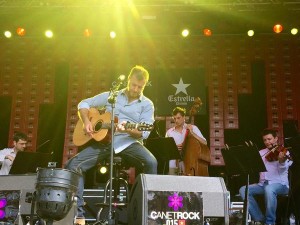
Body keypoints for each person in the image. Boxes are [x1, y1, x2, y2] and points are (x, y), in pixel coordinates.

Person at [65, 65, 157, 225]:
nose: (136, 89)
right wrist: (87, 121)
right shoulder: (111, 96)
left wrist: (128, 129)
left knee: (151, 162)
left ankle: (147, 215)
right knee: (73, 164)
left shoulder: (147, 104)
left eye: (140, 87)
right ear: (128, 80)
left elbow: (145, 131)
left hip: (129, 143)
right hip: (105, 142)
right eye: (134, 84)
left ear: (145, 85)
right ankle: (78, 216)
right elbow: (83, 104)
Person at [239, 128, 293, 225]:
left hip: (281, 185)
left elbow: (283, 169)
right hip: (263, 184)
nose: (267, 142)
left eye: (269, 139)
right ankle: (260, 218)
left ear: (276, 139)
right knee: (243, 189)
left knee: (269, 188)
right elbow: (256, 168)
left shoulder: (284, 152)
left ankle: (270, 222)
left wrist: (281, 161)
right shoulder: (261, 153)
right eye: (265, 140)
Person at [165, 107, 207, 175]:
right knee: (173, 183)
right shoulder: (169, 132)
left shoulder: (193, 128)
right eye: (174, 118)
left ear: (184, 117)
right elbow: (166, 151)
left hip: (189, 162)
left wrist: (192, 133)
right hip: (174, 164)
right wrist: (174, 148)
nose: (176, 121)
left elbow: (205, 143)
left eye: (178, 118)